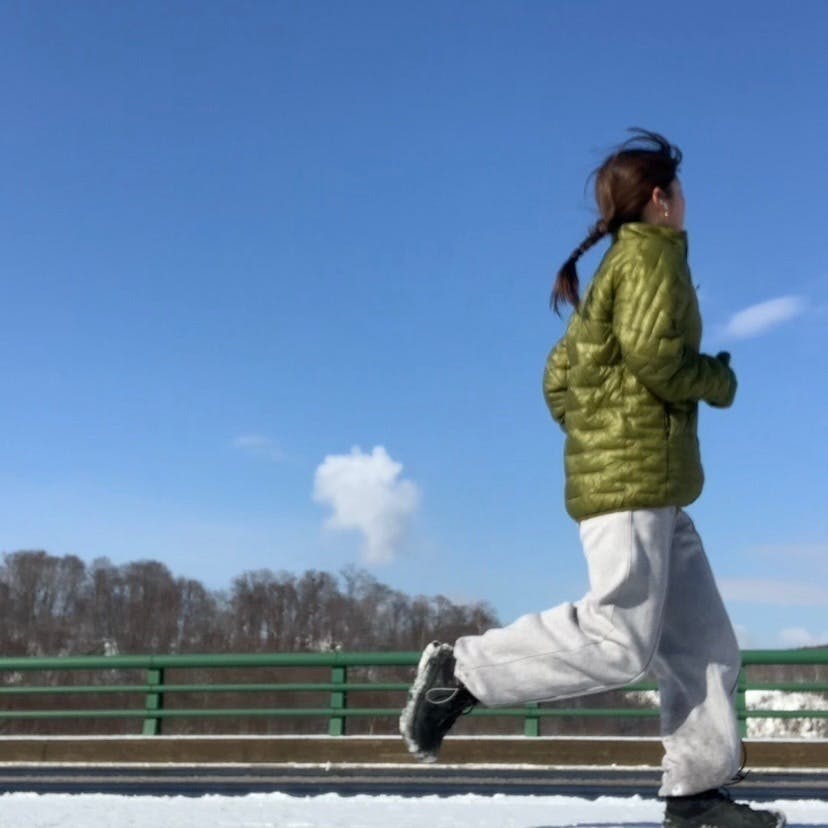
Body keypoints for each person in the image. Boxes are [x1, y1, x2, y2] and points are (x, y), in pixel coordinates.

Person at [399, 130, 786, 828]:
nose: (685, 203)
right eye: (681, 192)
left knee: (702, 647)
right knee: (619, 639)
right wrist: (716, 380)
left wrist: (595, 428)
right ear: (661, 199)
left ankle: (695, 796)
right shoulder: (651, 257)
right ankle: (462, 673)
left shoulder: (615, 269)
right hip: (634, 483)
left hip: (652, 486)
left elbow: (558, 378)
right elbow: (656, 358)